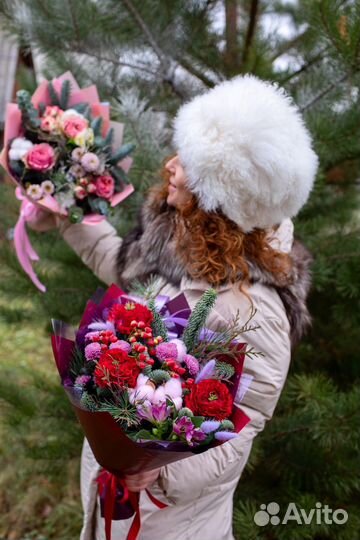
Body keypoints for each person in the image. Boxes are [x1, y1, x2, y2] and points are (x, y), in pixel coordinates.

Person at [30, 75, 318, 539]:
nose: (170, 165)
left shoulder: (253, 307)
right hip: (114, 500)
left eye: (187, 161)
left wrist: (156, 470)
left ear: (219, 194)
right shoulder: (179, 242)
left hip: (172, 521)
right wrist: (65, 208)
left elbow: (244, 427)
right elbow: (117, 262)